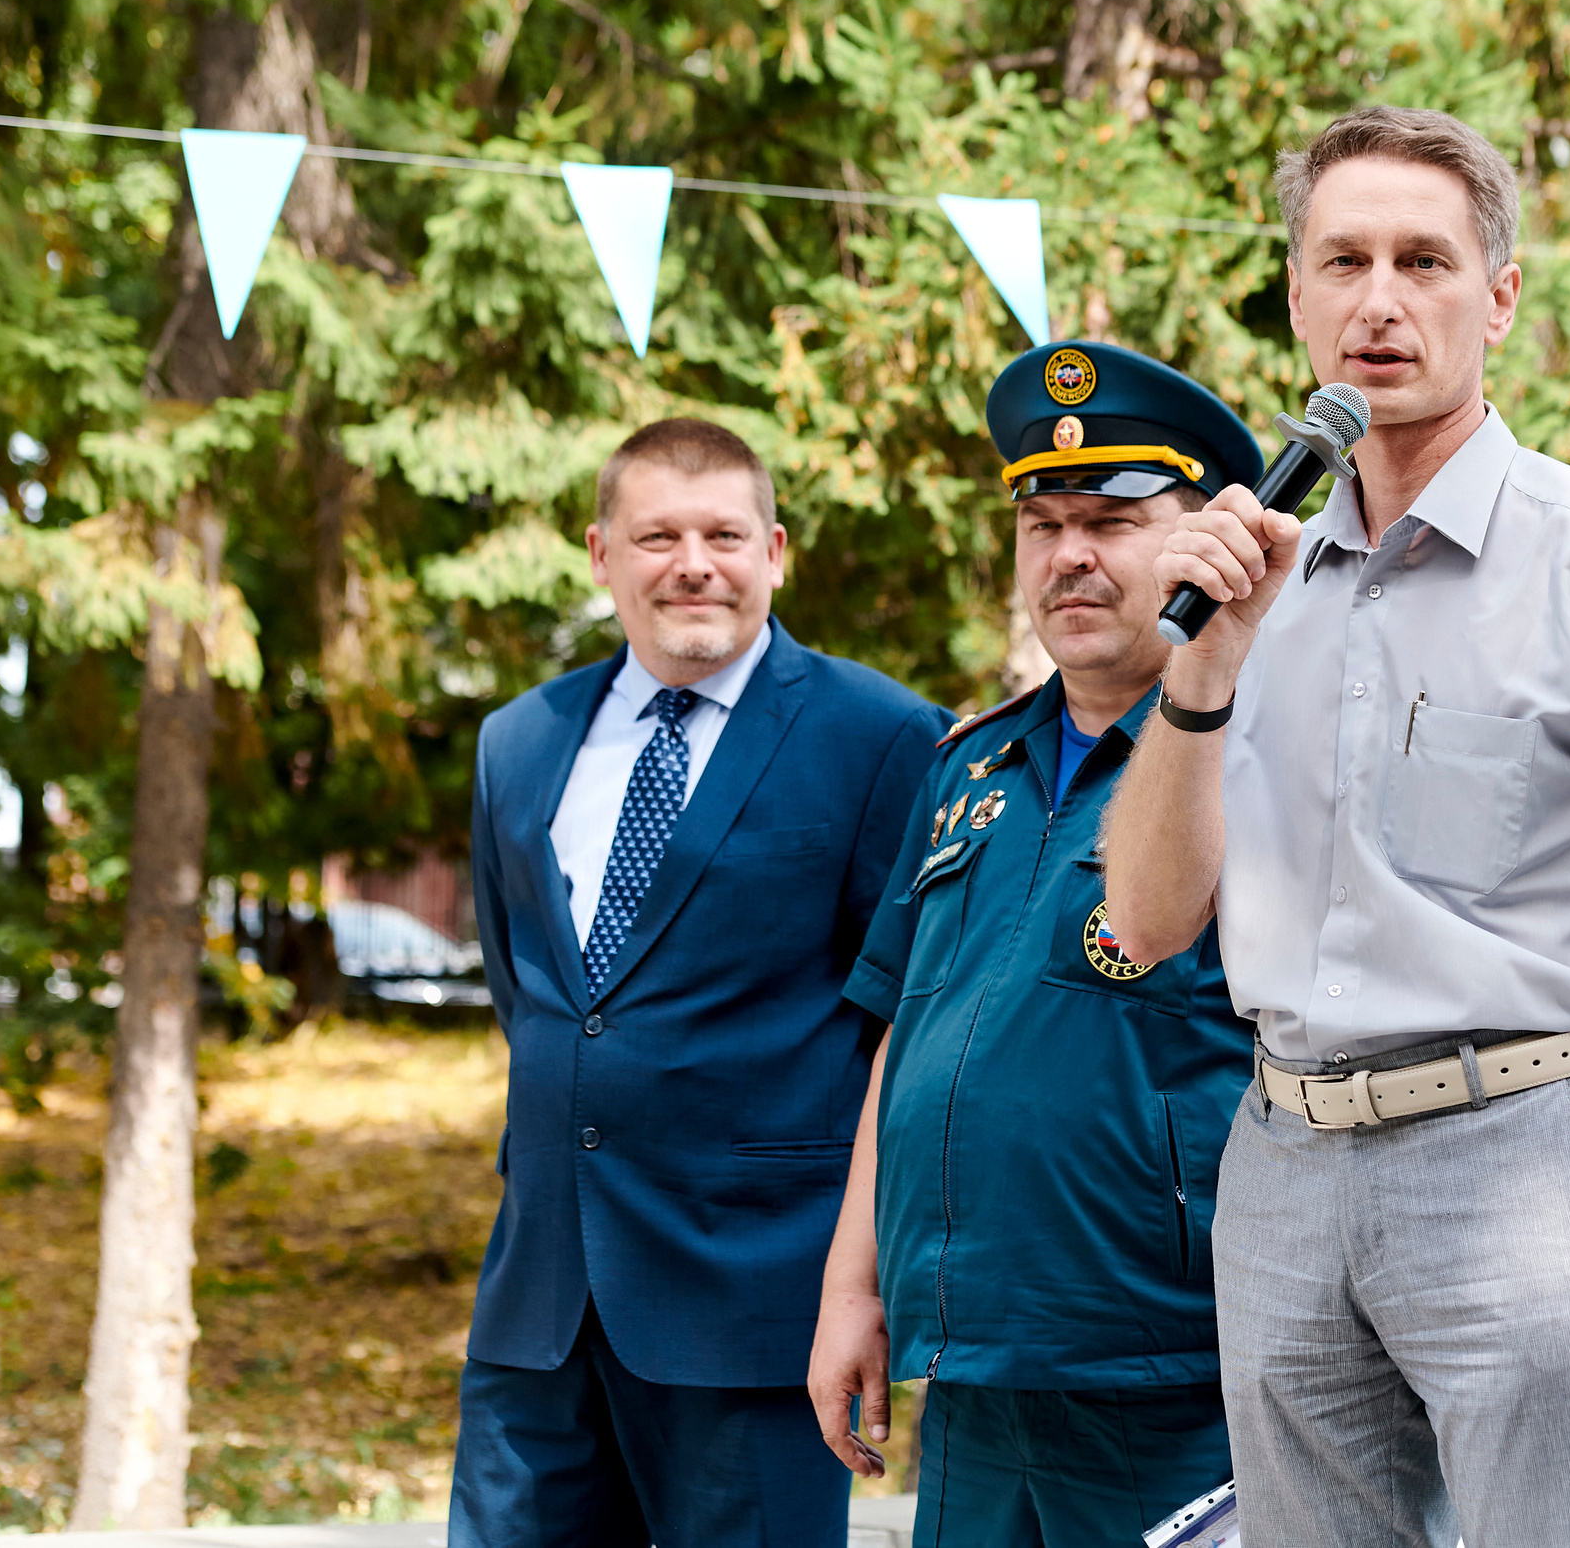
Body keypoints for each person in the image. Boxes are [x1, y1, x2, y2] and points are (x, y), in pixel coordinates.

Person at [1101, 106, 1570, 1548]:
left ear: (1498, 296)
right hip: (1284, 1167)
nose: (1381, 298)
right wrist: (1197, 675)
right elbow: (1142, 919)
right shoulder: (1251, 578)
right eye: (1344, 261)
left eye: (1425, 260)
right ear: (1298, 296)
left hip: (1537, 1158)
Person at [449, 418, 950, 1548]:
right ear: (600, 555)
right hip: (539, 1308)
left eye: (723, 534)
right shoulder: (517, 742)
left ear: (774, 551)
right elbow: (540, 1000)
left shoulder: (880, 737)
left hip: (757, 1304)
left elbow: (905, 1028)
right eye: (656, 535)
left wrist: (864, 1290)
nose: (692, 563)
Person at [807, 341, 1263, 1548]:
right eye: (1041, 522)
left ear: (1206, 535)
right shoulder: (970, 765)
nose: (1068, 554)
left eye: (1111, 520)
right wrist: (853, 1287)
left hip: (1173, 1367)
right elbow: (906, 1034)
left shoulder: (1266, 760)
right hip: (972, 1366)